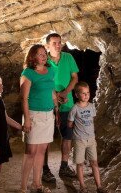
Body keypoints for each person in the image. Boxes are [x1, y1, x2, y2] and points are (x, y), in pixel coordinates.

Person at [20, 44, 59, 193]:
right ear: (32, 57)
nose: (44, 56)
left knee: (42, 151)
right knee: (31, 151)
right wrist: (27, 119)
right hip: (34, 115)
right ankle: (23, 187)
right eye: (40, 54)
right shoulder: (28, 73)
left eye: (45, 54)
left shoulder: (50, 71)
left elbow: (52, 91)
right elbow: (24, 98)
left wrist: (56, 108)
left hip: (48, 115)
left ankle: (36, 184)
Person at [42, 33, 79, 182]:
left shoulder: (68, 58)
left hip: (67, 103)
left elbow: (75, 77)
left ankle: (64, 166)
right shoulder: (44, 60)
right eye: (54, 43)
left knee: (67, 135)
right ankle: (45, 169)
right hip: (48, 104)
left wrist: (65, 92)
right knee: (45, 138)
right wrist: (54, 95)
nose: (58, 45)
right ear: (47, 46)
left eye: (59, 43)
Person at [68, 82, 107, 193]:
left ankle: (99, 186)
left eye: (88, 93)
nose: (86, 95)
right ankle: (82, 186)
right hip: (79, 139)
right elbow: (70, 124)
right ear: (76, 95)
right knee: (80, 163)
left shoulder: (91, 106)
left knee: (94, 162)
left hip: (91, 139)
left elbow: (91, 120)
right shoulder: (74, 108)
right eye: (83, 93)